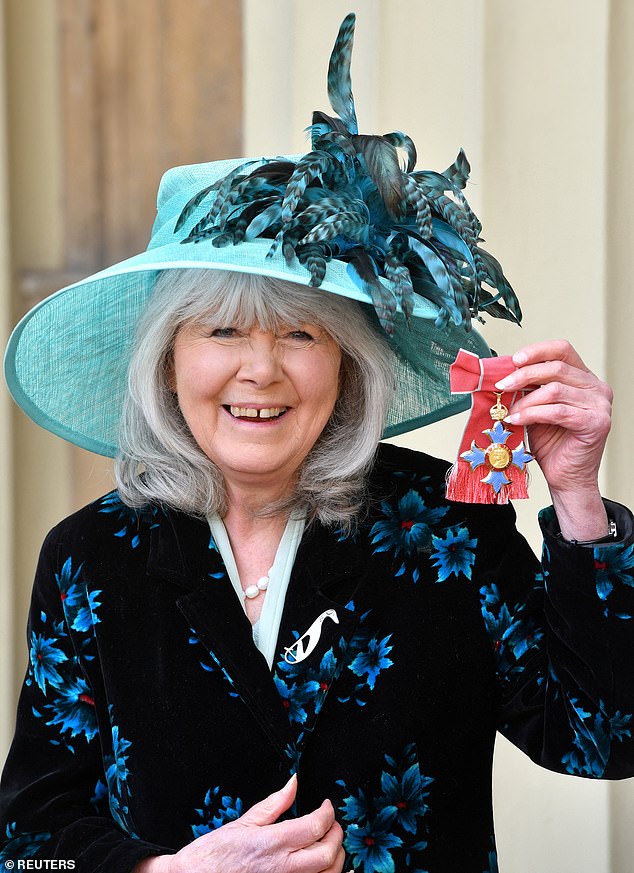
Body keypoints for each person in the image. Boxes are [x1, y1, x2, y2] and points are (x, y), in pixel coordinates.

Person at [1, 13, 633, 873]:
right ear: (168, 361)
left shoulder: (444, 525)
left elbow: (603, 738)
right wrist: (164, 871)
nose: (260, 371)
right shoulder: (93, 555)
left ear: (348, 363)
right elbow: (28, 843)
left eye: (300, 334)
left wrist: (578, 499)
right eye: (222, 330)